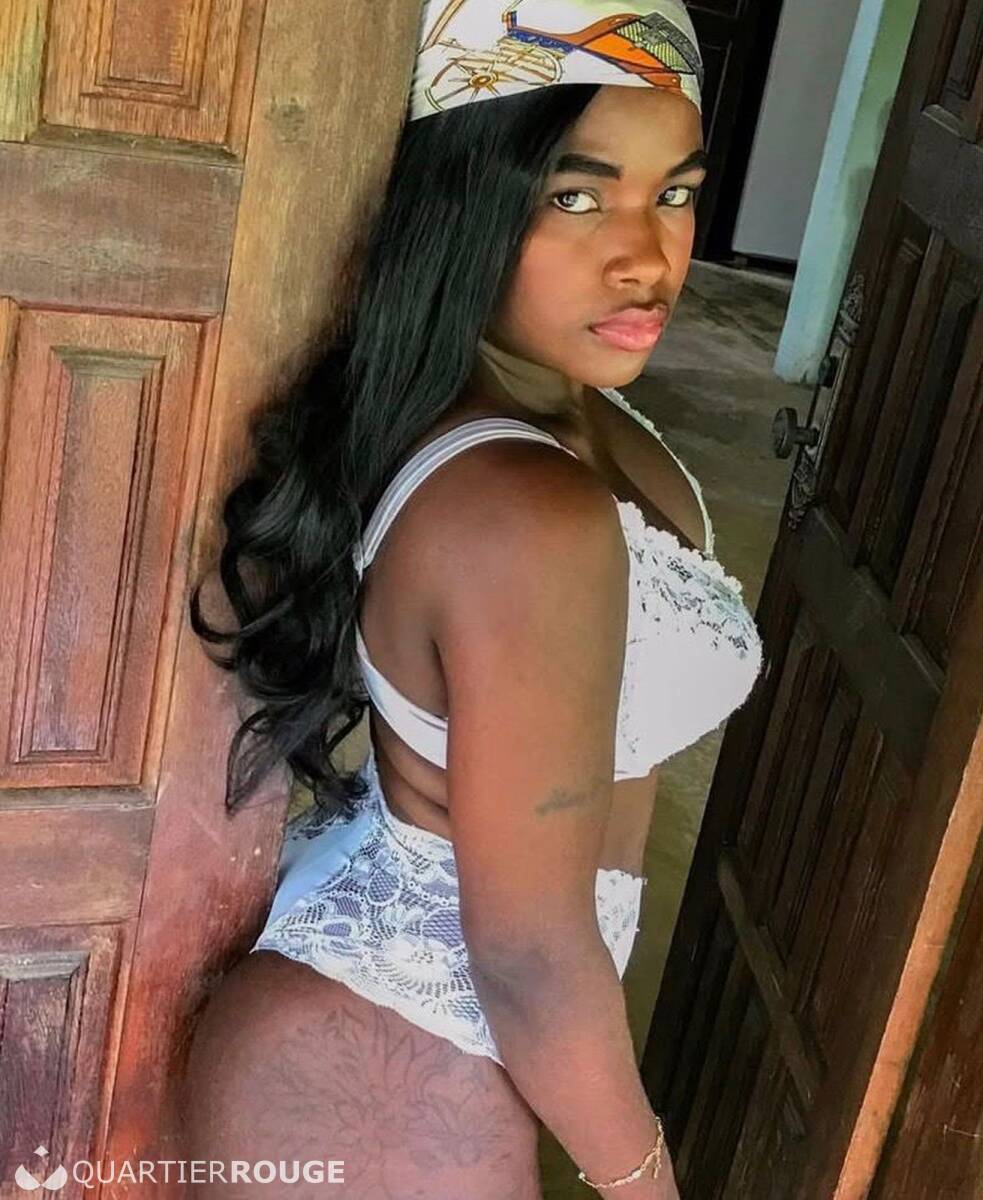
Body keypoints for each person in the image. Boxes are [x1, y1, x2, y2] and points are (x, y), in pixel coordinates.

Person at [182, 1, 763, 1195]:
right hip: (385, 1074)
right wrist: (643, 1181)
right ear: (466, 202)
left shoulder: (583, 423)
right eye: (575, 195)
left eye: (673, 192)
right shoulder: (519, 508)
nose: (645, 255)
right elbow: (530, 954)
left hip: (426, 1045)